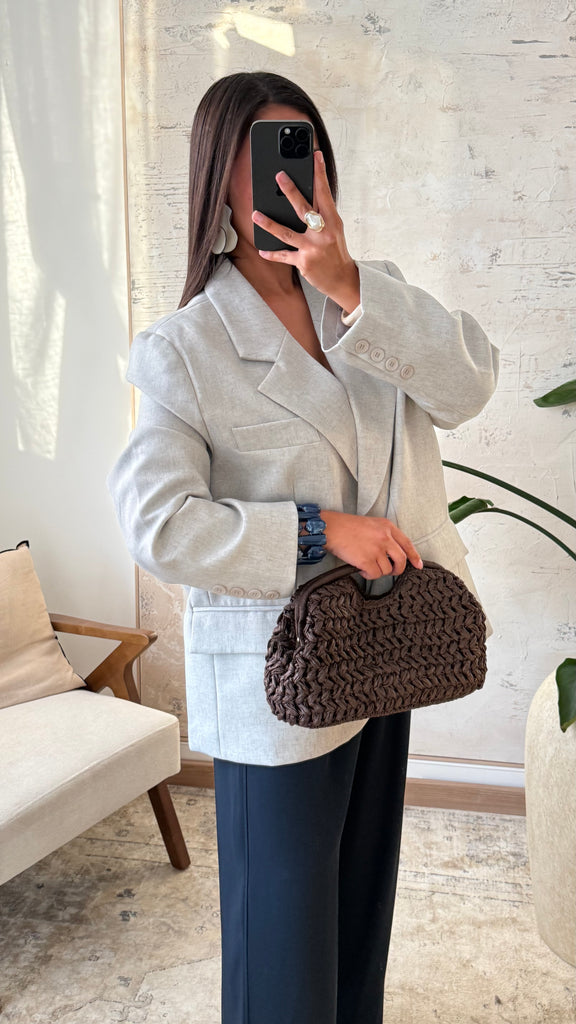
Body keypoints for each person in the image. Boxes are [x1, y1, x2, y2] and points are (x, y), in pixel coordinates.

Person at [108, 71, 499, 1024]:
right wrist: (320, 532)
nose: (292, 177)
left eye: (306, 150)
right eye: (264, 156)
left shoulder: (372, 299)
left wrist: (351, 284)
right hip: (275, 679)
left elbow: (468, 388)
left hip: (389, 647)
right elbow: (159, 523)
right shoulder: (185, 347)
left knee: (360, 923)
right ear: (220, 181)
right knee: (281, 949)